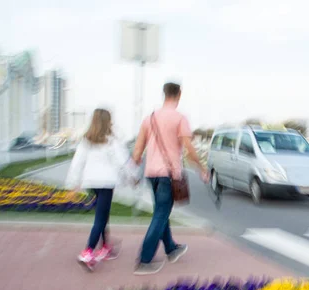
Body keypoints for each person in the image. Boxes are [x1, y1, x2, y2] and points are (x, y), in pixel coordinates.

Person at [132, 82, 208, 275]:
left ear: (164, 94)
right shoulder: (180, 118)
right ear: (179, 94)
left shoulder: (149, 118)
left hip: (151, 173)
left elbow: (138, 150)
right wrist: (201, 168)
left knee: (161, 211)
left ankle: (171, 249)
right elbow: (189, 149)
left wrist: (135, 167)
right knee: (161, 214)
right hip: (168, 174)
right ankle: (144, 259)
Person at [66, 108, 134, 270]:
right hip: (107, 182)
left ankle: (105, 246)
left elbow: (77, 163)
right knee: (101, 217)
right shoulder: (111, 140)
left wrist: (73, 183)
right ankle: (87, 251)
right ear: (108, 121)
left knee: (102, 213)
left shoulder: (86, 140)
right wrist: (132, 177)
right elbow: (123, 162)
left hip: (92, 183)